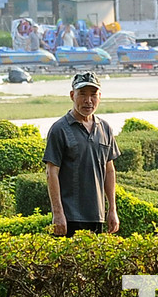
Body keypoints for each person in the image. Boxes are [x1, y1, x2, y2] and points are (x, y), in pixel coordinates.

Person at [43, 70, 120, 236]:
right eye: (82, 94)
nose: (88, 100)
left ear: (100, 96)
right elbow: (51, 173)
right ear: (72, 95)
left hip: (97, 216)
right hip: (70, 217)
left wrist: (112, 209)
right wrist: (58, 214)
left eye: (93, 94)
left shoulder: (105, 128)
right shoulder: (59, 129)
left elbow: (109, 170)